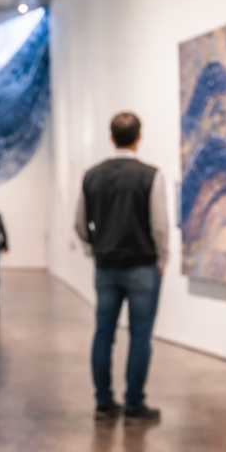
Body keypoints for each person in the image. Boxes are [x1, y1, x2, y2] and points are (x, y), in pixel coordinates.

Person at [74, 112, 169, 424]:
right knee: (140, 336)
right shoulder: (150, 175)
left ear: (111, 137)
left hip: (105, 267)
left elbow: (79, 223)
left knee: (104, 334)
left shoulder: (91, 176)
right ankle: (133, 405)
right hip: (142, 267)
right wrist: (163, 259)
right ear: (139, 138)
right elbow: (159, 225)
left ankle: (103, 403)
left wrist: (93, 249)